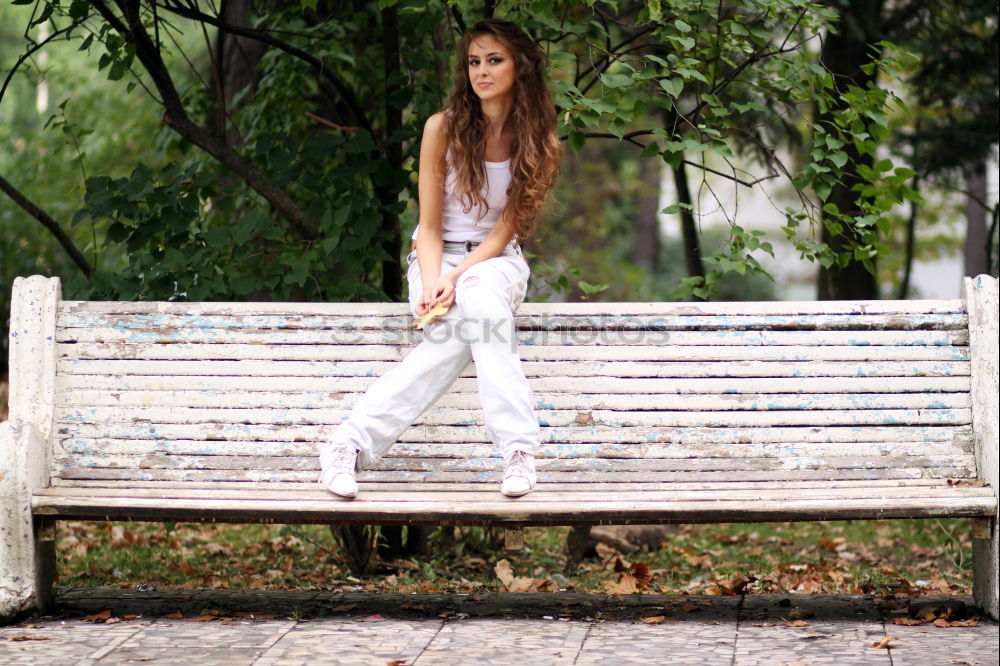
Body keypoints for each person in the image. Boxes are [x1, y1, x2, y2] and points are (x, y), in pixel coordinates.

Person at [318, 19, 562, 499]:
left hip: (496, 264)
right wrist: (434, 281)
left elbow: (502, 233)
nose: (482, 72)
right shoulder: (442, 128)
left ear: (521, 67)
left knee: (476, 300)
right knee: (462, 331)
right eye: (474, 61)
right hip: (433, 260)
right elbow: (428, 227)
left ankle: (348, 444)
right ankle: (519, 453)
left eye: (494, 60)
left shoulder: (539, 141)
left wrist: (458, 277)